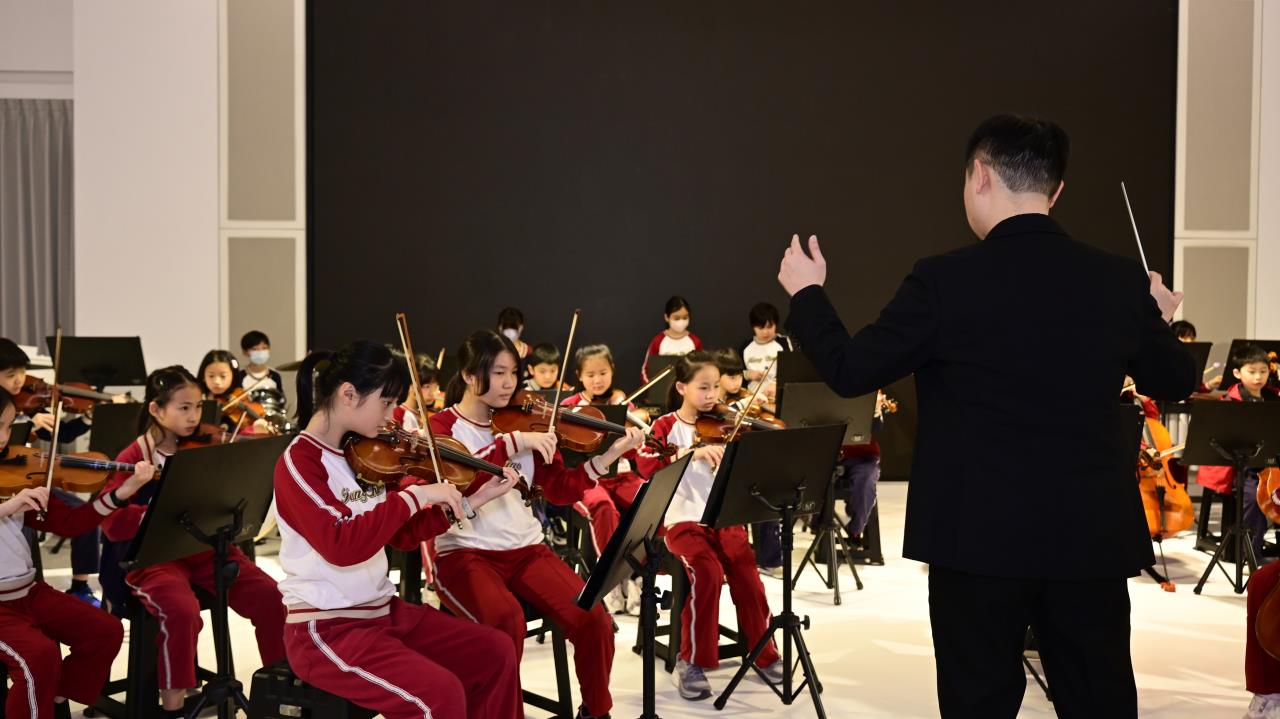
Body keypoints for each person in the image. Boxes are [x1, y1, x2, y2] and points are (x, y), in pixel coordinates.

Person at [776, 114, 1196, 718]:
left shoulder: (942, 280)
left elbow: (850, 370)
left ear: (979, 175)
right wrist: (1153, 314)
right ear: (1056, 191)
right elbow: (1177, 381)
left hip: (974, 539)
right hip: (1088, 538)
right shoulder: (1118, 279)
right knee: (1098, 700)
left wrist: (808, 295)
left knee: (978, 704)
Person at [276, 341, 521, 719]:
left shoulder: (364, 453)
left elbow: (402, 535)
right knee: (439, 696)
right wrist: (415, 496)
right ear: (348, 395)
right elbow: (342, 546)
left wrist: (474, 499)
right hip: (327, 629)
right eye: (386, 402)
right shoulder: (300, 460)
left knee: (496, 651)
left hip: (383, 612)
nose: (392, 416)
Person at [429, 330, 644, 719]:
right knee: (505, 623)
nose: (509, 383)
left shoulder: (526, 421)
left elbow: (559, 490)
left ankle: (596, 712)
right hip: (464, 553)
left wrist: (607, 457)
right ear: (468, 375)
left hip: (526, 548)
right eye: (498, 373)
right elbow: (460, 481)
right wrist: (511, 444)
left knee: (594, 619)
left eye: (513, 372)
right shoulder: (440, 428)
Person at [100, 366, 287, 715]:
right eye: (184, 408)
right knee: (181, 610)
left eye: (198, 407)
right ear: (156, 410)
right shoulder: (133, 457)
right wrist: (152, 511)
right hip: (153, 556)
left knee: (271, 597)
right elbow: (111, 525)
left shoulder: (203, 445)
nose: (194, 417)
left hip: (204, 547)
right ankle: (174, 707)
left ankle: (278, 694)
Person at [635, 351, 784, 701]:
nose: (712, 395)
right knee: (707, 572)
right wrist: (691, 453)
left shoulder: (725, 423)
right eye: (703, 387)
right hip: (681, 520)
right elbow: (646, 466)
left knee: (748, 574)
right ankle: (692, 661)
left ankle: (764, 653)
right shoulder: (665, 426)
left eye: (716, 387)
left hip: (723, 517)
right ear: (682, 387)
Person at [0, 388, 157, 719]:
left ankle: (55, 698)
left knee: (106, 631)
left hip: (28, 593)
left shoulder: (14, 476)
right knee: (40, 657)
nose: (4, 438)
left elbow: (72, 523)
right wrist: (7, 507)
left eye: (9, 426)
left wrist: (122, 493)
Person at [561, 343, 647, 614]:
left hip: (621, 475)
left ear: (612, 371)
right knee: (603, 507)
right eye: (590, 375)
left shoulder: (623, 406)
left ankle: (636, 576)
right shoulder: (570, 407)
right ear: (579, 376)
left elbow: (633, 454)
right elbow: (565, 453)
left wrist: (633, 438)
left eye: (603, 373)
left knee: (647, 502)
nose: (597, 380)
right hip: (587, 478)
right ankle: (609, 581)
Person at [1196, 343, 1279, 562]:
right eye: (1252, 372)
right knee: (1254, 498)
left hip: (1272, 465)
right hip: (1243, 469)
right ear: (1237, 373)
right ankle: (1250, 555)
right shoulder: (1230, 401)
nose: (1258, 377)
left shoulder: (1273, 398)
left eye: (1263, 371)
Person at [739, 302, 795, 400]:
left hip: (776, 397)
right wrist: (748, 374)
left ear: (776, 325)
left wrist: (775, 384)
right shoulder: (745, 347)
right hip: (752, 398)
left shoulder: (783, 343)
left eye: (769, 327)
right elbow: (735, 373)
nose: (765, 332)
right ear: (753, 327)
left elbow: (790, 370)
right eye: (761, 328)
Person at [641, 296, 702, 382]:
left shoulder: (695, 341)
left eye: (685, 318)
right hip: (663, 388)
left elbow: (701, 368)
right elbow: (645, 370)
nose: (681, 321)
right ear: (667, 317)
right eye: (676, 318)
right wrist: (652, 387)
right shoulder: (658, 341)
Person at [389, 350, 441, 431]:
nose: (432, 393)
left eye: (434, 386)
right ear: (411, 385)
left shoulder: (423, 414)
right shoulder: (399, 415)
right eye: (426, 386)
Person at [239, 330, 285, 401]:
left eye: (264, 348)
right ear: (245, 352)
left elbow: (280, 400)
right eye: (255, 349)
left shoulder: (275, 376)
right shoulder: (239, 376)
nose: (260, 352)